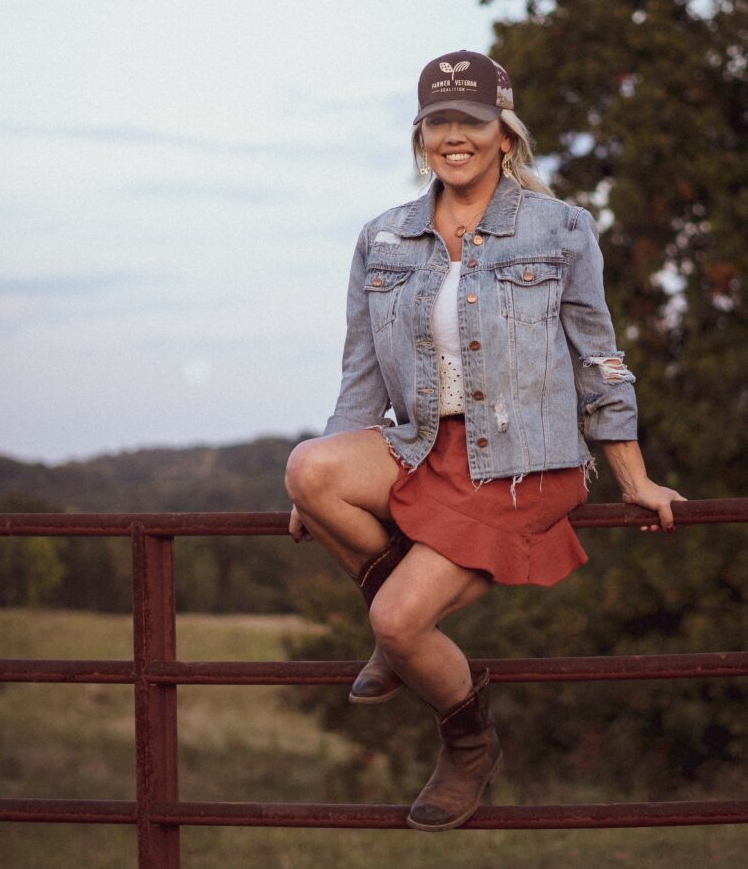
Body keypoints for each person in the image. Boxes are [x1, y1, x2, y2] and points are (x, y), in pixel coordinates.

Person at [284, 50, 683, 832]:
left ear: (505, 135)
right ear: (421, 136)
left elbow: (600, 361)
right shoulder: (383, 238)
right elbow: (362, 374)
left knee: (398, 621)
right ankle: (397, 618)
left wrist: (633, 477)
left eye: (471, 121)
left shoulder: (561, 229)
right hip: (423, 446)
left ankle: (468, 745)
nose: (454, 136)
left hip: (520, 465)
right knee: (308, 470)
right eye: (438, 122)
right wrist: (323, 488)